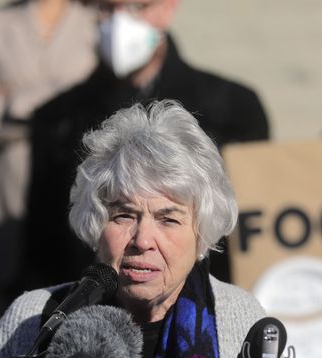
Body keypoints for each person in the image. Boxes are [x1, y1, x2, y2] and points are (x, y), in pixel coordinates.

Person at [0, 100, 306, 358]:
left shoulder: (240, 320)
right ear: (95, 221)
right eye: (124, 215)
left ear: (201, 231)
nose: (142, 240)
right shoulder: (32, 320)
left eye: (168, 219)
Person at [22, 0, 269, 292]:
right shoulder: (57, 118)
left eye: (137, 7)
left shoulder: (232, 108)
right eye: (107, 8)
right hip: (92, 309)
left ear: (168, 7)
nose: (119, 22)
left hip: (202, 310)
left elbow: (253, 237)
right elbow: (41, 243)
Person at [0, 0, 98, 308]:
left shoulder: (96, 20)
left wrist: (12, 100)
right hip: (6, 206)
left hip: (75, 197)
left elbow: (101, 104)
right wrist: (57, 100)